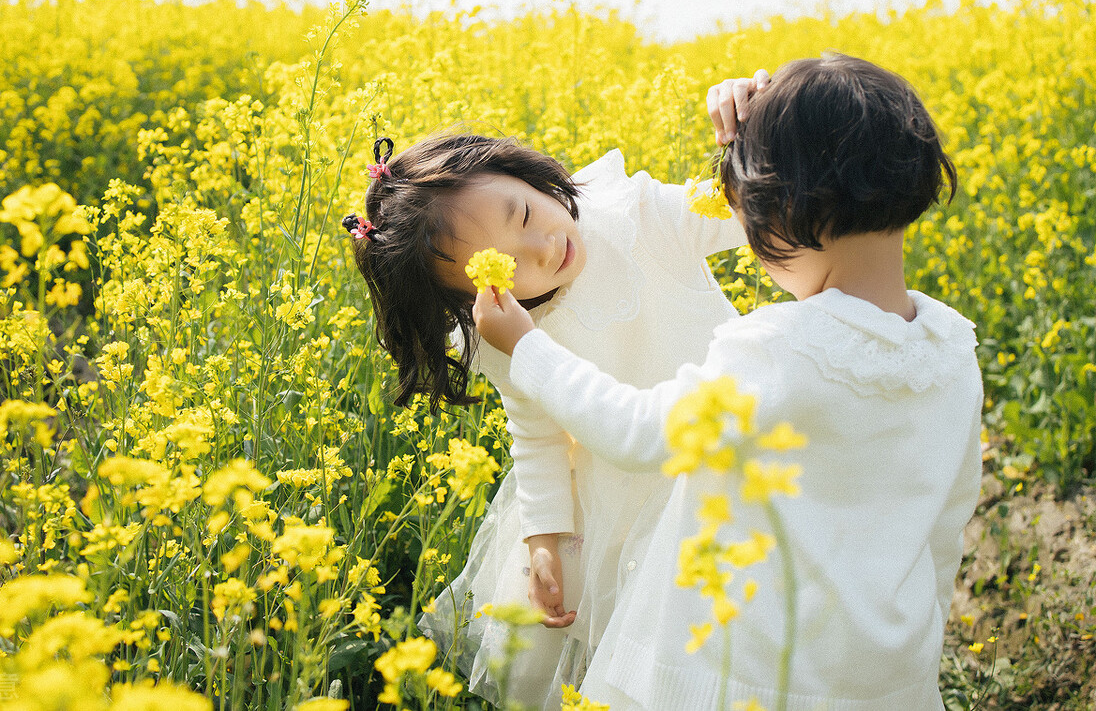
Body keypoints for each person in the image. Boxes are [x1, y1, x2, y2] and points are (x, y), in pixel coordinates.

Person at [473, 54, 983, 711]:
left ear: (777, 213)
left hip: (737, 673)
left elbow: (637, 433)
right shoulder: (952, 348)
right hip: (884, 676)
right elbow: (946, 525)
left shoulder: (776, 346)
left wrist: (527, 348)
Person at [342, 89, 765, 708]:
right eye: (506, 268)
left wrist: (754, 130)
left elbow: (752, 211)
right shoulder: (503, 328)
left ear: (529, 174)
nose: (541, 247)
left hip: (729, 457)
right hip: (611, 499)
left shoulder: (636, 212)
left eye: (524, 215)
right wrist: (544, 536)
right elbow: (536, 435)